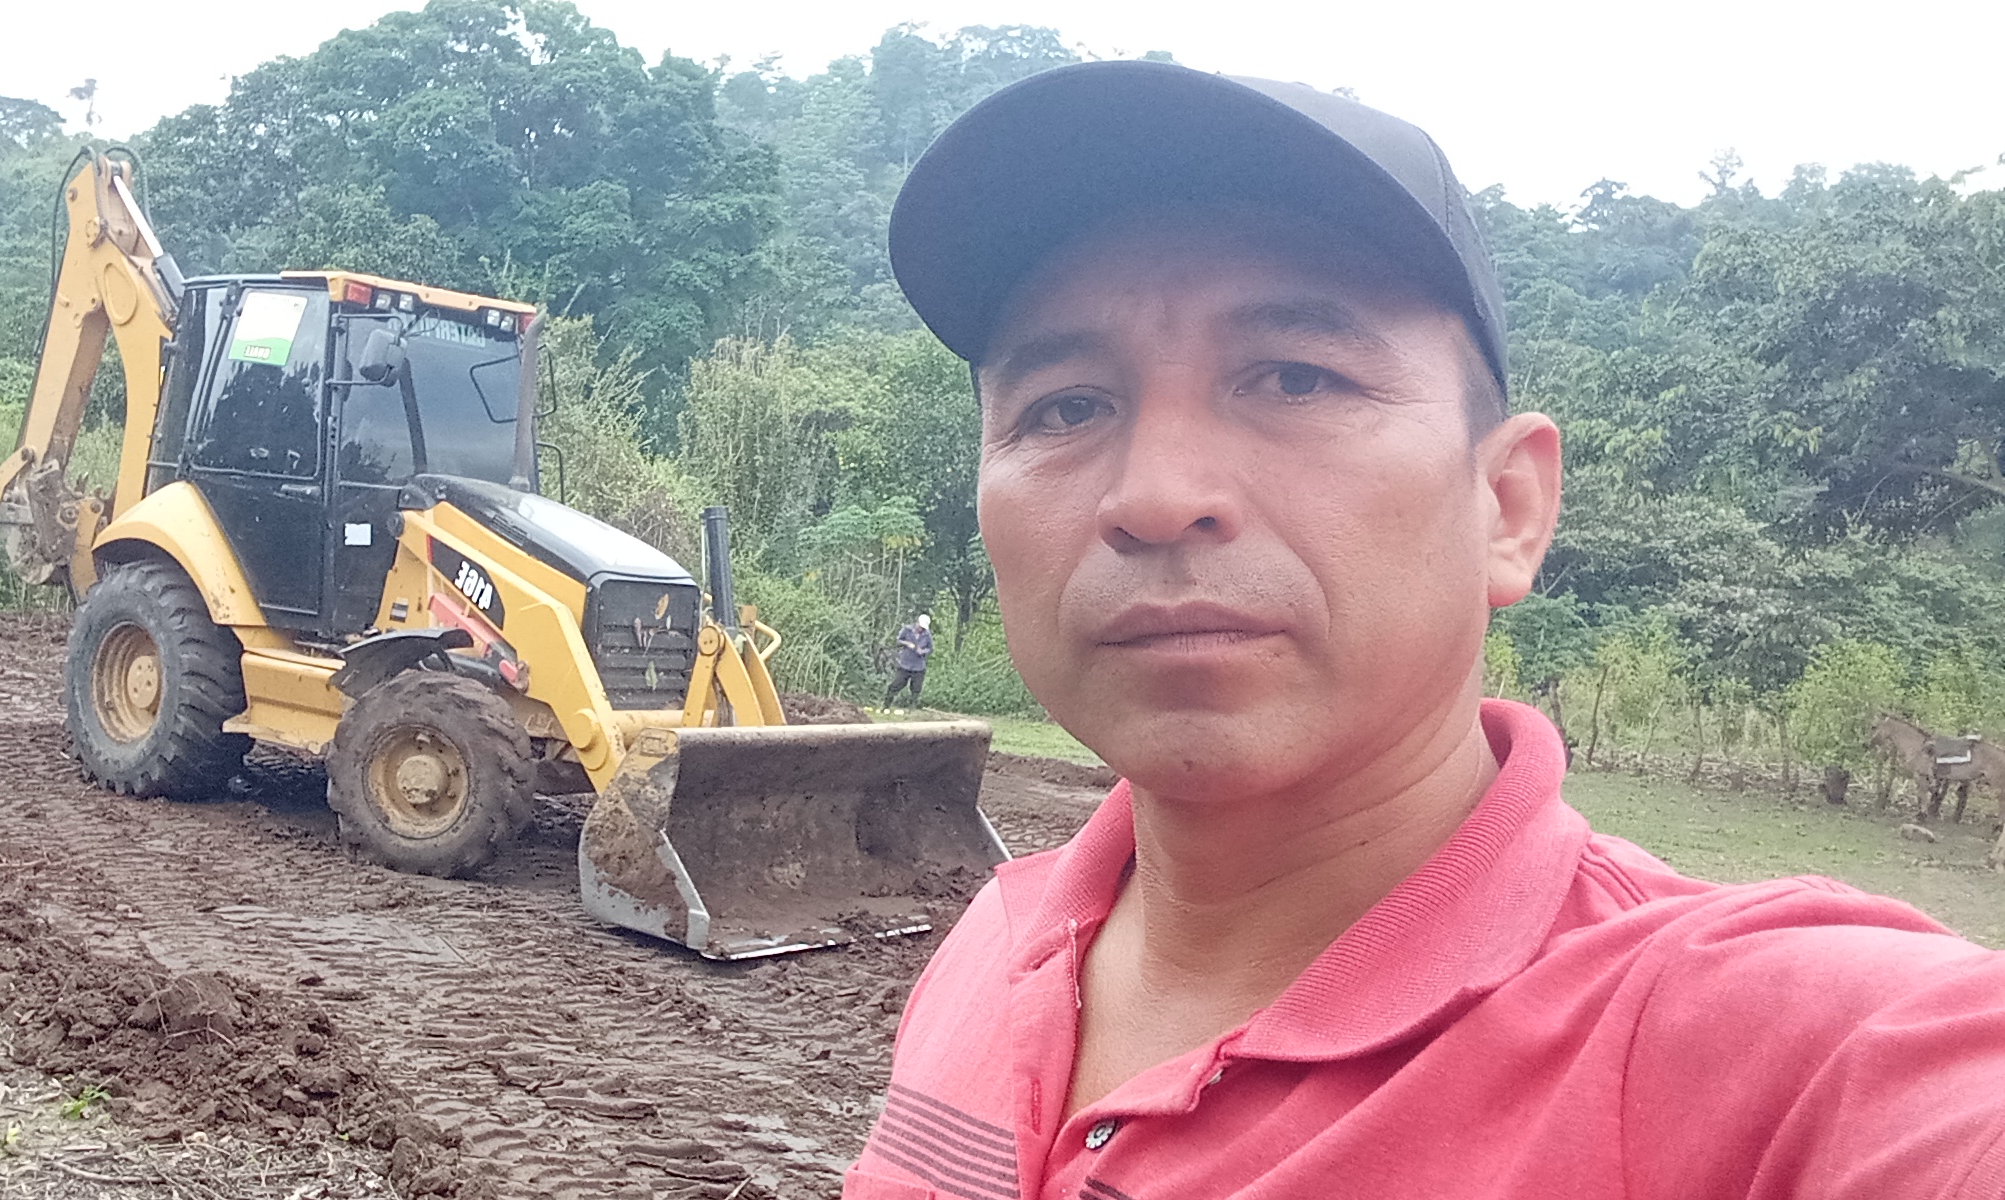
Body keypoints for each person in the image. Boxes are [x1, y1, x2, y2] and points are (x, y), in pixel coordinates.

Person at [846, 60, 2005, 1200]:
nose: (1154, 495)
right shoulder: (999, 938)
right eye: (1065, 407)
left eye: (1295, 379)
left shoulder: (1771, 1053)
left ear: (1507, 508)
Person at [885, 613, 934, 710]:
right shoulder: (907, 630)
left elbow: (930, 649)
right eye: (920, 627)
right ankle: (886, 705)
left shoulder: (927, 635)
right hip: (905, 664)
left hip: (919, 667)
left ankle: (912, 709)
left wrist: (923, 651)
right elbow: (898, 641)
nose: (921, 629)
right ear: (917, 623)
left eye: (923, 628)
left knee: (916, 689)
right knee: (895, 685)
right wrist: (907, 643)